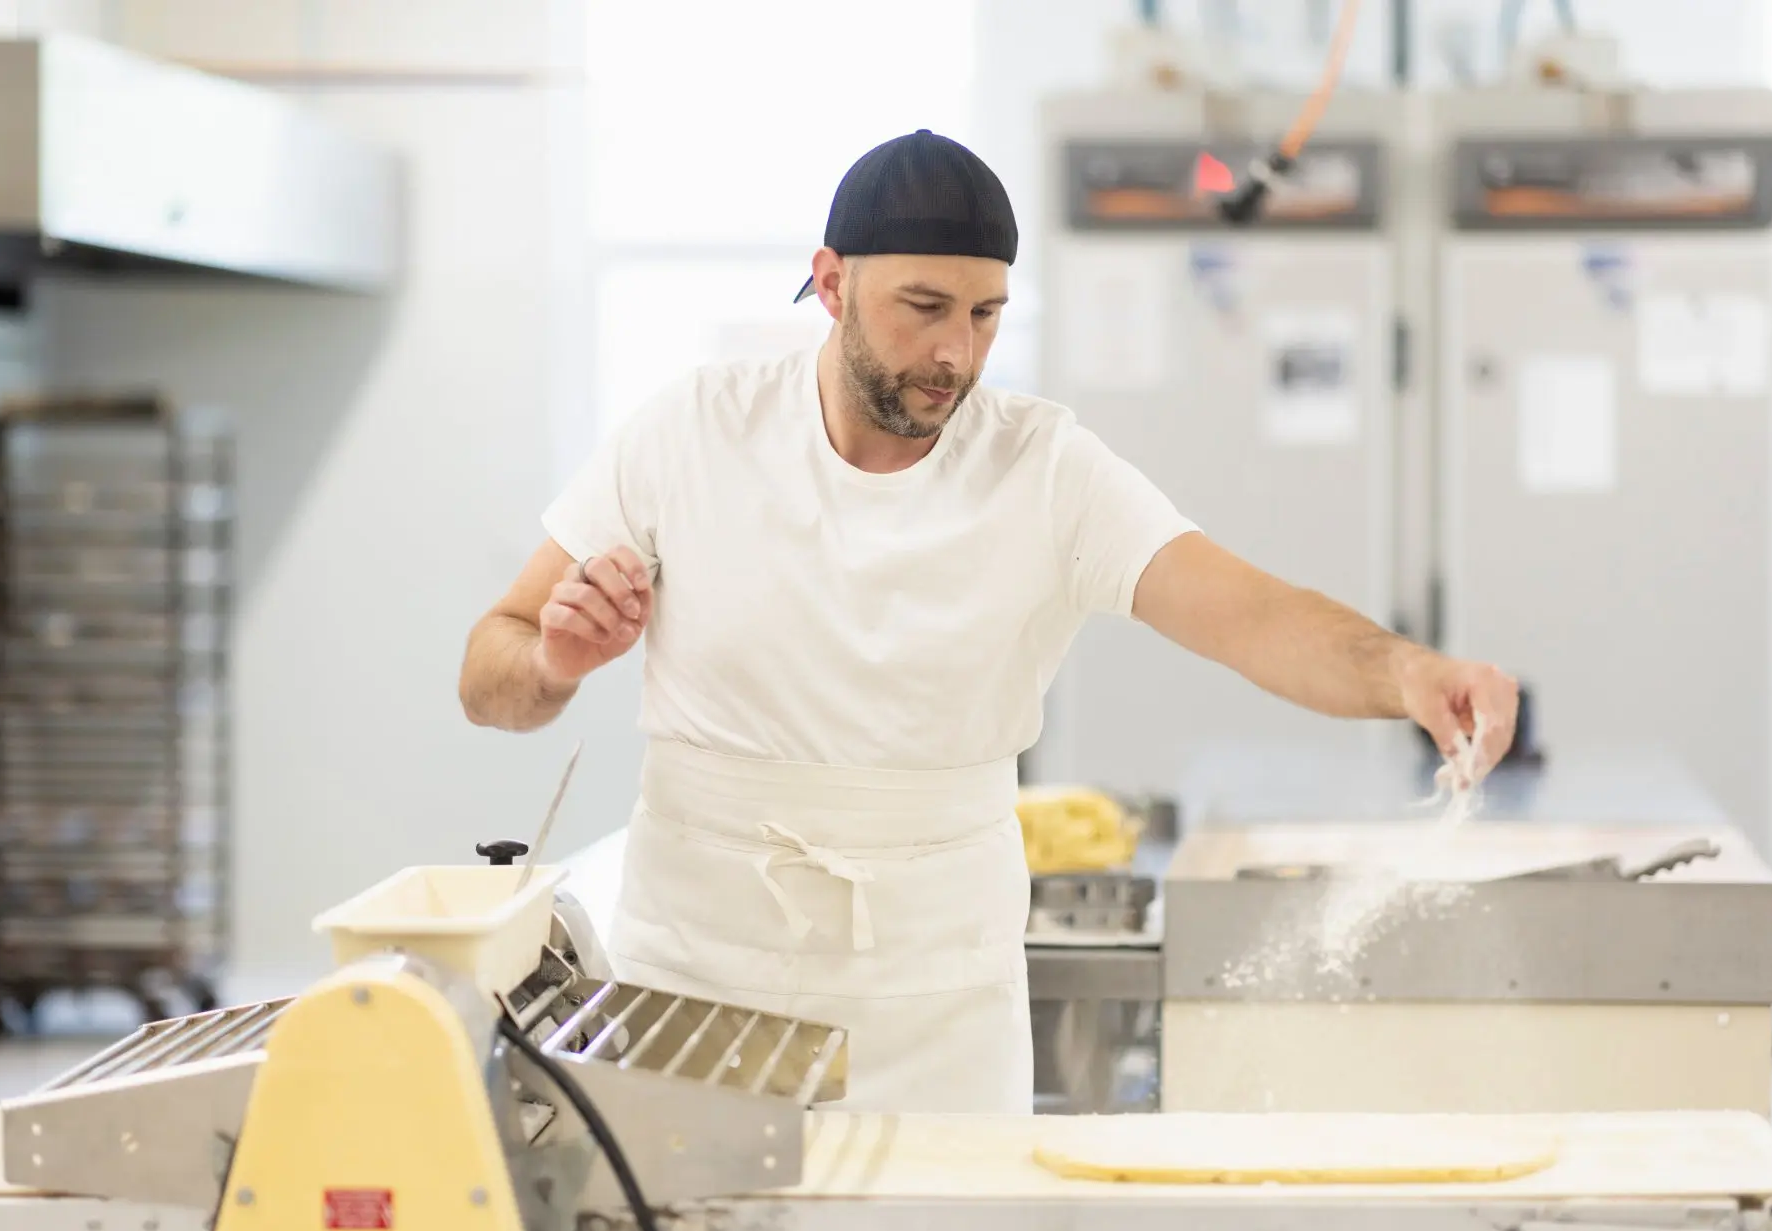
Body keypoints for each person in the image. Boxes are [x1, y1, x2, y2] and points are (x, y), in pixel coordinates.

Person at [459, 129, 1519, 1116]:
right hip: (694, 978)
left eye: (985, 314)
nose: (955, 354)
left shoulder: (1043, 468)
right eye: (922, 307)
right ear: (829, 283)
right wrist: (555, 660)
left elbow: (1249, 614)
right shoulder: (692, 432)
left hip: (935, 999)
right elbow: (489, 671)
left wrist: (1406, 673)